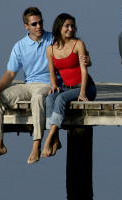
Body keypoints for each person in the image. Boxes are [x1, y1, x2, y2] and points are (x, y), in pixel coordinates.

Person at [0, 7, 53, 164]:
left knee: (37, 98)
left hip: (48, 84)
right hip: (28, 85)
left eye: (41, 23)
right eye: (34, 24)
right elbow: (10, 74)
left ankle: (36, 144)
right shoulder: (20, 46)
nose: (39, 26)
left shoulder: (53, 39)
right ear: (26, 26)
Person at [41, 13, 96, 158]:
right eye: (67, 26)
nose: (70, 29)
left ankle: (49, 138)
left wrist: (82, 92)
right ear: (59, 27)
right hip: (67, 87)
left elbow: (84, 71)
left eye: (72, 26)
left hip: (86, 87)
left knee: (61, 99)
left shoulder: (78, 44)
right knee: (50, 98)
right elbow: (52, 73)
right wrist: (53, 85)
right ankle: (56, 139)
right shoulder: (50, 49)